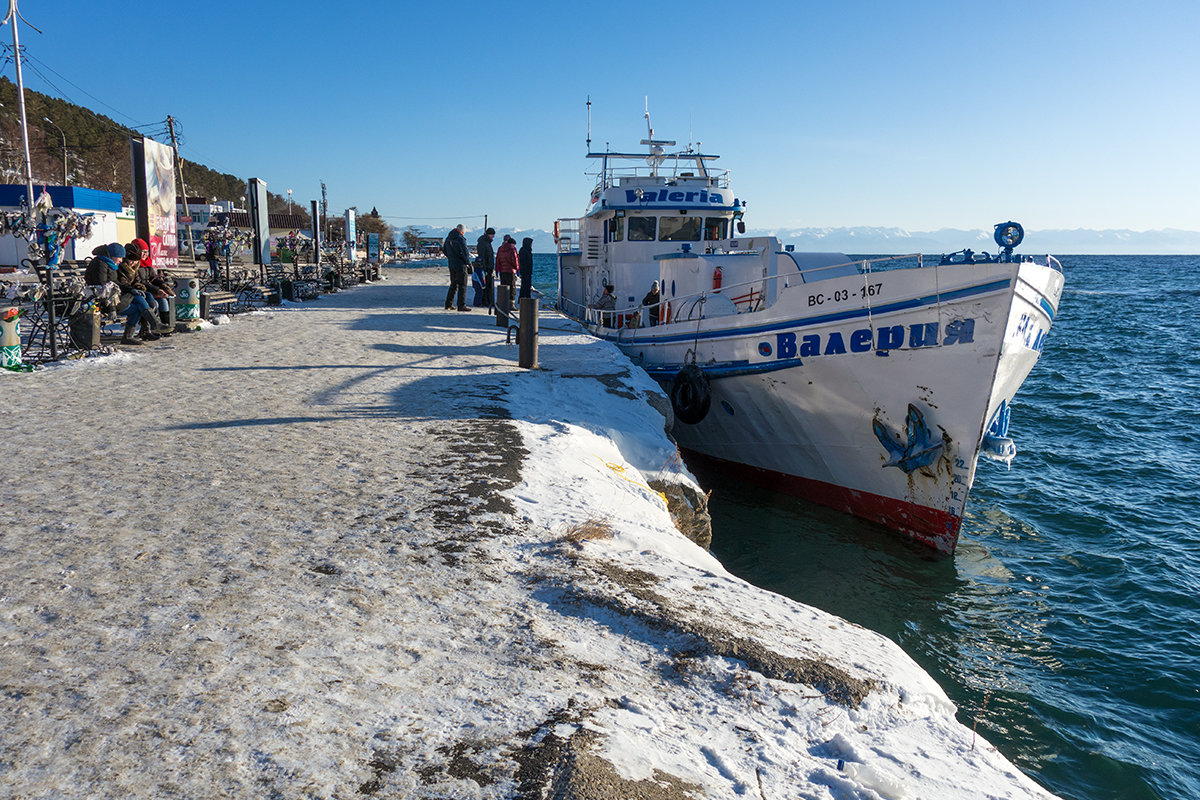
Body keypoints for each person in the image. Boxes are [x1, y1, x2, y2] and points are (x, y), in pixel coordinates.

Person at [107, 243, 155, 345]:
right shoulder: (116, 268)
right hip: (117, 298)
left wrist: (138, 288)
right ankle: (153, 326)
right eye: (119, 257)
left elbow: (138, 282)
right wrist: (132, 290)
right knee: (139, 300)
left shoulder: (122, 266)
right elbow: (115, 286)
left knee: (146, 299)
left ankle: (134, 335)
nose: (120, 260)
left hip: (123, 295)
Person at [128, 238, 173, 335]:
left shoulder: (148, 263)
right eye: (143, 252)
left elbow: (154, 278)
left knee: (164, 302)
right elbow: (140, 283)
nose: (145, 254)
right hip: (143, 290)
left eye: (147, 252)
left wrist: (164, 286)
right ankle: (151, 329)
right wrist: (157, 290)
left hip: (150, 290)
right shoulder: (135, 265)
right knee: (154, 303)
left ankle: (165, 327)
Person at [442, 223, 472, 311]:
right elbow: (465, 252)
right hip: (460, 265)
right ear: (462, 231)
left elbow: (444, 250)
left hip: (452, 265)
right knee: (462, 285)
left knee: (453, 284)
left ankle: (448, 304)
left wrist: (451, 258)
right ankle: (461, 305)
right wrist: (468, 263)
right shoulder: (460, 238)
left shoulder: (448, 238)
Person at [476, 227, 496, 309]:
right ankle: (486, 301)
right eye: (492, 235)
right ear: (489, 234)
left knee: (488, 285)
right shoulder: (483, 243)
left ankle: (488, 301)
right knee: (486, 285)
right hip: (486, 268)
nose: (493, 237)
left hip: (489, 267)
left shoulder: (487, 242)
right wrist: (485, 268)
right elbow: (483, 257)